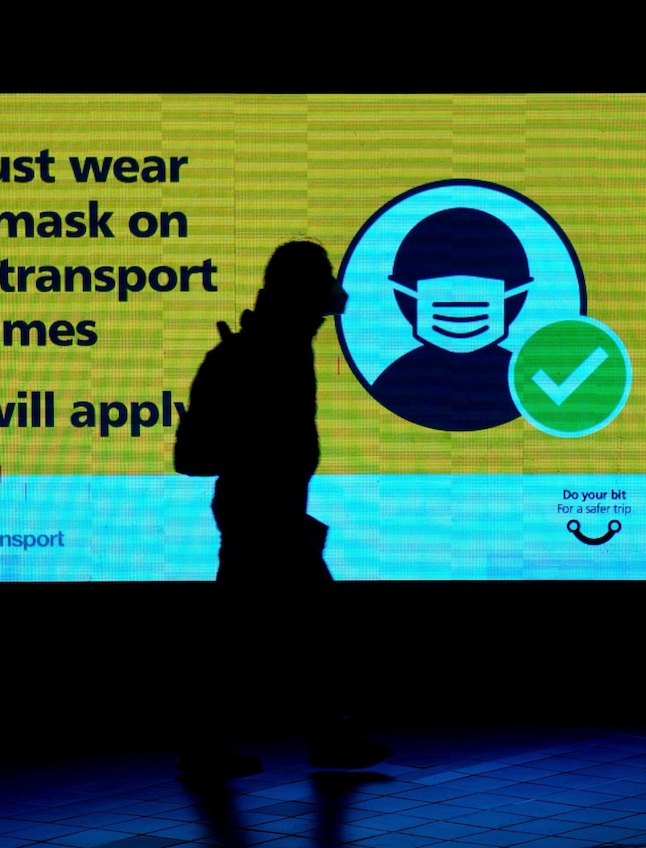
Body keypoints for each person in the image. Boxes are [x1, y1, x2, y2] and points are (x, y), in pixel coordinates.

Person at [174, 240, 388, 777]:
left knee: (261, 632)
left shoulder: (278, 349)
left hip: (270, 514)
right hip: (260, 517)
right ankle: (314, 736)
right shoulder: (249, 358)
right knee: (297, 628)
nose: (325, 310)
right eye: (316, 294)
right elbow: (193, 457)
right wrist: (257, 440)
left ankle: (235, 740)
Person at [371, 207, 533, 431]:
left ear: (516, 293)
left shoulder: (524, 381)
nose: (460, 300)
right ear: (404, 292)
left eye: (480, 278)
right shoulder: (395, 381)